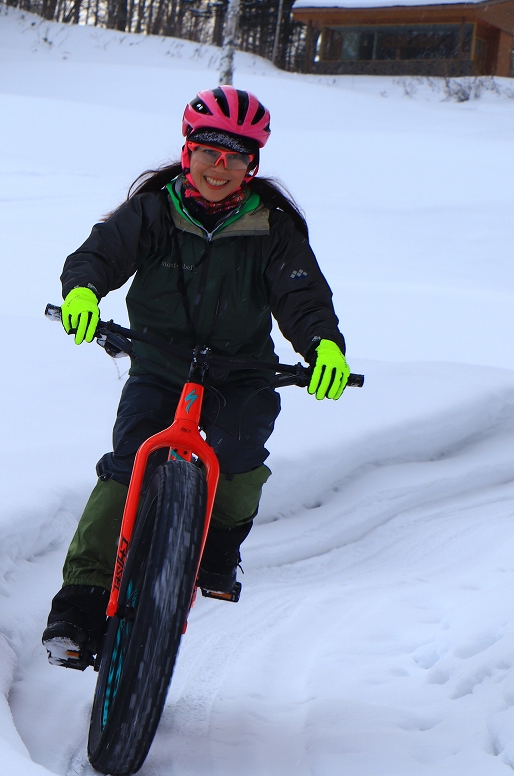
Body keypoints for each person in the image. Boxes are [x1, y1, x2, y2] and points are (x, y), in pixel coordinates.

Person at [42, 87, 351, 670]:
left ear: (252, 163)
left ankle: (217, 551)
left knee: (239, 455)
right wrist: (83, 290)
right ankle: (80, 601)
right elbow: (99, 254)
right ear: (188, 152)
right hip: (160, 363)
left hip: (241, 372)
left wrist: (324, 347)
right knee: (129, 462)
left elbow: (302, 296)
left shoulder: (273, 226)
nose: (220, 166)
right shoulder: (156, 210)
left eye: (236, 156)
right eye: (209, 151)